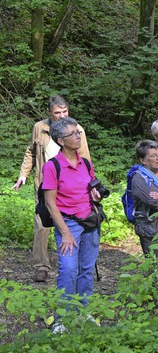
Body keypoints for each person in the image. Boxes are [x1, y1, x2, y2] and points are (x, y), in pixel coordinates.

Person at [11, 95, 91, 283]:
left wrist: (89, 186)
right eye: (57, 113)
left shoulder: (77, 130)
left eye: (65, 112)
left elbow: (85, 159)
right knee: (42, 223)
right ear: (50, 113)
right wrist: (24, 174)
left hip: (71, 186)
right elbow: (31, 151)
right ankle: (41, 266)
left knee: (75, 222)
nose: (62, 116)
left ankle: (75, 261)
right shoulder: (40, 128)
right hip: (45, 184)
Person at [41, 117, 102, 330]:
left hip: (90, 223)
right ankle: (62, 320)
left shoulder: (86, 163)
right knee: (68, 270)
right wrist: (65, 233)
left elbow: (91, 190)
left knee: (86, 269)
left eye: (78, 133)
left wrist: (95, 196)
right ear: (60, 140)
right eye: (73, 134)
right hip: (68, 224)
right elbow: (50, 203)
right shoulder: (52, 166)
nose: (78, 136)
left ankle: (83, 313)